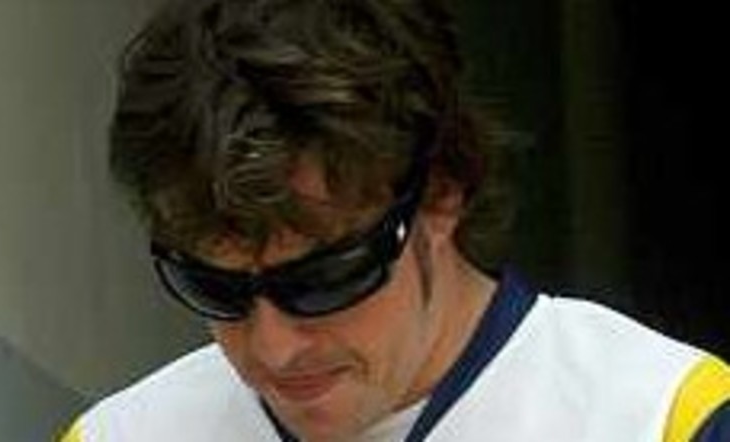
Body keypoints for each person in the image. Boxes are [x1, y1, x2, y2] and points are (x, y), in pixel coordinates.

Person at [61, 0, 730, 440]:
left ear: (442, 193)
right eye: (216, 288)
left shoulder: (659, 419)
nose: (274, 349)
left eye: (324, 279)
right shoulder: (121, 436)